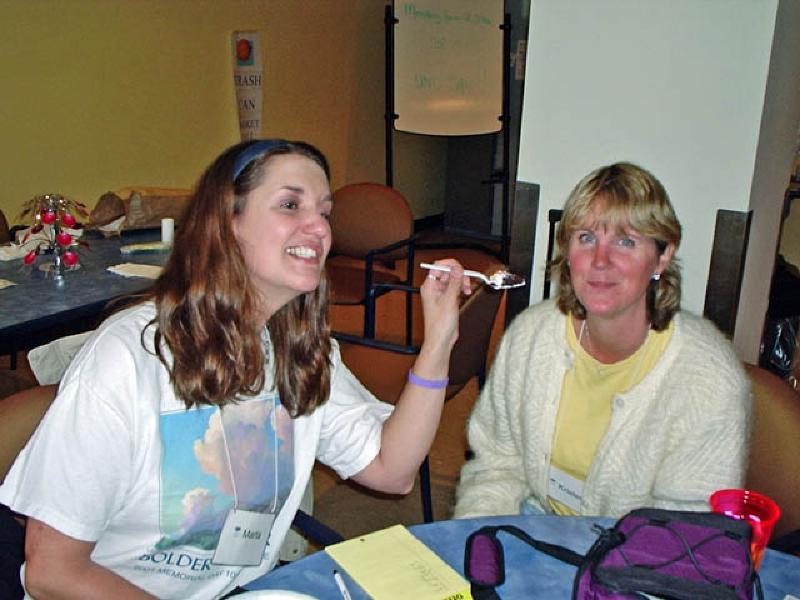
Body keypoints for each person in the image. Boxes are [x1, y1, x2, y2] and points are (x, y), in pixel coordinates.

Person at [0, 139, 470, 599]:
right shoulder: (130, 356)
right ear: (227, 225)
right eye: (290, 204)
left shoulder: (301, 348)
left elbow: (392, 470)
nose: (320, 228)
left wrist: (439, 341)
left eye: (324, 211)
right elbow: (52, 573)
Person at [454, 161, 750, 519]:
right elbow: (495, 468)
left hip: (640, 560)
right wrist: (483, 548)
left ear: (663, 256)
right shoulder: (530, 336)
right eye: (586, 238)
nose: (600, 260)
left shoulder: (708, 379)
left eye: (625, 241)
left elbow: (685, 531)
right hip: (531, 525)